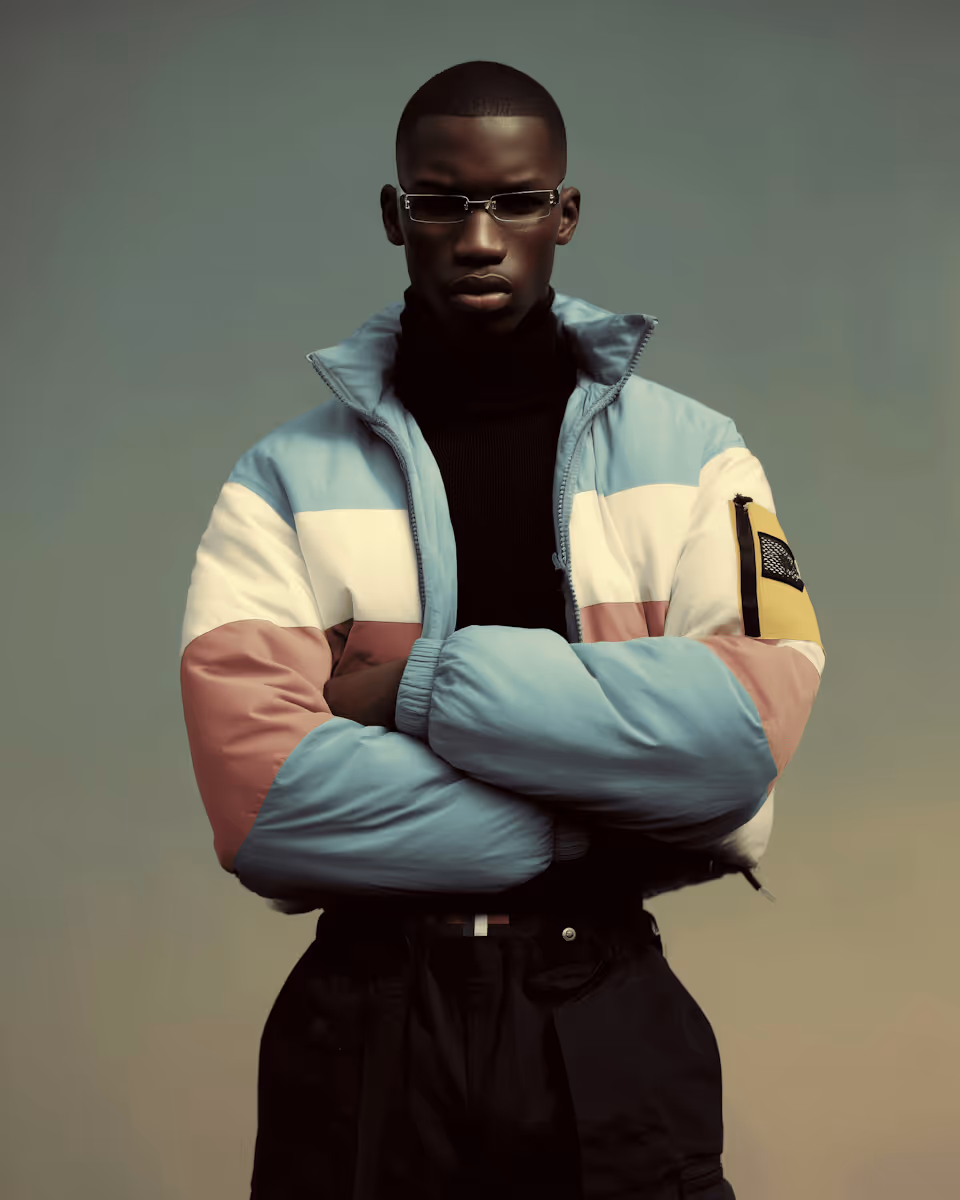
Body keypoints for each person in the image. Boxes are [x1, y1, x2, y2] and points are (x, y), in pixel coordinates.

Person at [180, 60, 824, 1200]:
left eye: (517, 201)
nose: (480, 236)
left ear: (565, 213)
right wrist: (610, 814)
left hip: (608, 1010)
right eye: (442, 202)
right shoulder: (278, 481)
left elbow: (735, 749)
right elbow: (266, 809)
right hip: (365, 1023)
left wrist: (416, 687)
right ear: (396, 216)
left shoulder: (699, 456)